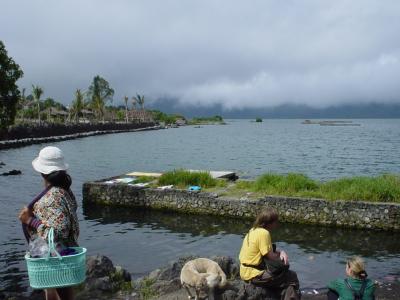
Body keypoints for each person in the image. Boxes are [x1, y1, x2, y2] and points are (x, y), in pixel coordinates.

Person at [18, 146, 79, 300]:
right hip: (66, 253)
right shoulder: (64, 191)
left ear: (42, 172)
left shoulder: (50, 198)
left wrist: (29, 220)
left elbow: (59, 230)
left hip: (54, 257)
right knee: (65, 293)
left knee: (53, 293)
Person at [239, 208, 300, 300]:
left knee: (284, 277)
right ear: (269, 222)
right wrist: (283, 260)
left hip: (244, 270)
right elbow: (271, 256)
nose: (277, 224)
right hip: (254, 274)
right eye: (276, 221)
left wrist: (281, 252)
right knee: (291, 277)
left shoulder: (253, 230)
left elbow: (268, 248)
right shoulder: (264, 233)